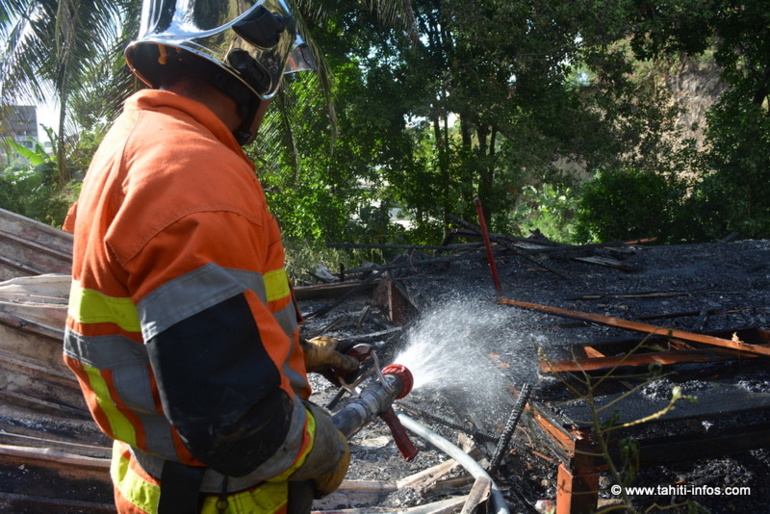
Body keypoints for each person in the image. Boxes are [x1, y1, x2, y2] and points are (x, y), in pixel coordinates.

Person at [62, 0, 359, 512]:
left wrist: (302, 352)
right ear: (251, 63)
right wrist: (324, 449)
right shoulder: (196, 175)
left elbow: (169, 331)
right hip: (219, 498)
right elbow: (236, 426)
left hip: (159, 480)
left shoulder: (135, 142)